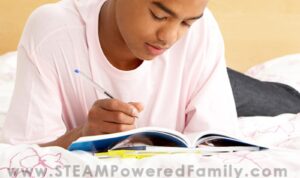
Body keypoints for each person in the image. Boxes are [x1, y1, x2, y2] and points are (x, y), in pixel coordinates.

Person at [4, 0, 300, 148]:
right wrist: (81, 134)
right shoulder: (52, 32)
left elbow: (217, 142)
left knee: (289, 105)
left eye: (187, 23)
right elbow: (21, 152)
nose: (169, 37)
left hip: (201, 78)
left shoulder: (201, 33)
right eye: (159, 15)